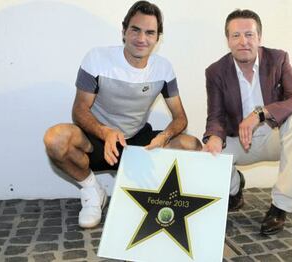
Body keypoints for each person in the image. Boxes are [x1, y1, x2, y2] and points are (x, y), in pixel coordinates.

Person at [44, 1, 201, 229]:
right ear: (124, 31)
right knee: (55, 139)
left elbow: (180, 118)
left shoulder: (164, 68)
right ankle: (92, 193)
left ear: (158, 38)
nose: (141, 38)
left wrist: (165, 136)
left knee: (191, 145)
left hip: (136, 142)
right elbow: (79, 110)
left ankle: (157, 197)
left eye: (150, 32)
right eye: (135, 29)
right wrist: (105, 131)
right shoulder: (97, 58)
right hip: (97, 140)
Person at [202, 9, 292, 235]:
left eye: (249, 34)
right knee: (208, 151)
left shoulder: (278, 60)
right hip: (240, 141)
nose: (243, 42)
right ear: (228, 40)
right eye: (236, 35)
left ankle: (280, 206)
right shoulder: (215, 72)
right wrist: (213, 137)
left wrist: (260, 114)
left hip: (274, 137)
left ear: (259, 37)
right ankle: (234, 189)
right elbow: (216, 116)